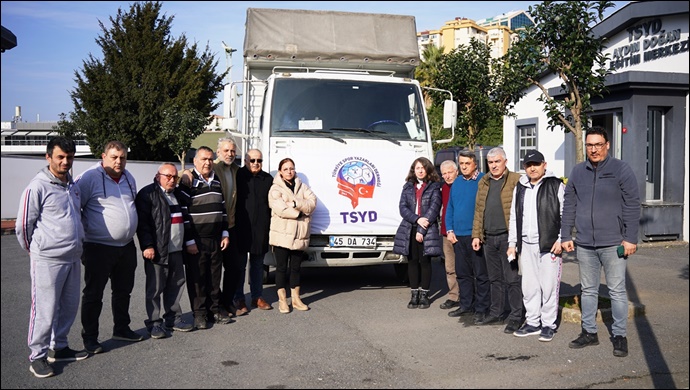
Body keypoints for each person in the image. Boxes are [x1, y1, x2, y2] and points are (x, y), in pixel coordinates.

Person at [562, 126, 641, 357]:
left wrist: (630, 238)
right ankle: (589, 332)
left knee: (616, 291)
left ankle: (619, 335)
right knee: (588, 290)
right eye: (589, 145)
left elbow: (632, 204)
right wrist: (566, 235)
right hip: (585, 243)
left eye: (598, 144)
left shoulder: (621, 170)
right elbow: (569, 205)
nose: (593, 149)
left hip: (613, 243)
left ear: (607, 145)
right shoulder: (578, 172)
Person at [16, 137, 89, 378]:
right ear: (48, 157)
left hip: (72, 257)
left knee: (68, 306)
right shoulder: (37, 187)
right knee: (45, 310)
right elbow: (23, 226)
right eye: (60, 157)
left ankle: (59, 347)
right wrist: (36, 250)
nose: (65, 161)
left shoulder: (72, 185)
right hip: (47, 259)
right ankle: (37, 356)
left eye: (69, 157)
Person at [76, 140, 143, 354]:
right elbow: (75, 208)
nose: (119, 161)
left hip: (126, 246)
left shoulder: (128, 177)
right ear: (103, 156)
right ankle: (90, 338)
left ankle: (121, 329)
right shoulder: (89, 178)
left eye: (122, 157)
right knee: (94, 294)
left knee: (123, 292)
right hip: (98, 247)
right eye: (114, 157)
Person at [507, 150, 565, 342]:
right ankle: (533, 321)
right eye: (528, 164)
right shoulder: (521, 187)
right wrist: (512, 243)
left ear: (544, 165)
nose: (532, 168)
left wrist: (561, 238)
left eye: (536, 164)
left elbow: (565, 214)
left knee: (548, 286)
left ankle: (548, 324)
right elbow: (515, 216)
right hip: (526, 244)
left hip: (549, 244)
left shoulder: (555, 185)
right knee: (529, 286)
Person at [134, 163, 195, 339]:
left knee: (176, 285)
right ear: (157, 176)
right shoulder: (148, 194)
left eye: (174, 177)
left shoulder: (177, 193)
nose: (171, 180)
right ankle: (154, 323)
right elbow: (143, 223)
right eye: (167, 176)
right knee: (155, 289)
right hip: (158, 250)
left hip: (176, 250)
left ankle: (173, 318)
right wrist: (147, 245)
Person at [178, 146, 232, 329]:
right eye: (203, 159)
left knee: (215, 277)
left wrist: (225, 233)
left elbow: (223, 210)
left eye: (210, 159)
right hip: (197, 240)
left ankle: (214, 311)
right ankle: (199, 314)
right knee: (198, 279)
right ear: (195, 161)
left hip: (216, 238)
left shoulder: (216, 182)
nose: (207, 162)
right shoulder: (187, 183)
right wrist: (190, 240)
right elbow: (184, 214)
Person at [471, 146, 523, 333]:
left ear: (505, 162)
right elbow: (478, 210)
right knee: (494, 278)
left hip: (508, 238)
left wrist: (517, 240)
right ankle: (496, 312)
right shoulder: (484, 182)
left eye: (497, 162)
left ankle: (516, 315)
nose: (493, 166)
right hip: (488, 237)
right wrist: (476, 235)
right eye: (490, 163)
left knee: (512, 278)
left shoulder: (516, 180)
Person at [268, 158, 317, 313]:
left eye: (292, 168)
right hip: (282, 235)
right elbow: (280, 208)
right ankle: (282, 300)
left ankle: (296, 299)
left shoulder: (303, 186)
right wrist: (301, 212)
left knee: (296, 268)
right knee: (281, 268)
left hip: (299, 235)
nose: (289, 171)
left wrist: (295, 203)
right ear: (280, 172)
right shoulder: (275, 189)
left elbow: (312, 203)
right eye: (286, 169)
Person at [445, 149, 490, 321]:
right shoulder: (457, 182)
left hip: (476, 235)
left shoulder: (483, 180)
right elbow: (451, 207)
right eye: (461, 163)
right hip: (458, 236)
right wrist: (449, 229)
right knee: (463, 274)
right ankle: (466, 305)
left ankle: (482, 308)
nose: (464, 167)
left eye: (467, 163)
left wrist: (478, 233)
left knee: (480, 274)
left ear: (475, 164)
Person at [393, 157, 442, 309]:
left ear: (428, 170)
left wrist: (421, 228)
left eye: (423, 168)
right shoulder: (407, 187)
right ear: (413, 170)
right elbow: (403, 208)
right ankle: (414, 294)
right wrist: (416, 220)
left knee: (425, 262)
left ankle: (424, 295)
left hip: (427, 229)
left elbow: (434, 208)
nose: (420, 170)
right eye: (417, 168)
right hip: (409, 228)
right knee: (412, 261)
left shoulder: (434, 187)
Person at [233, 149, 273, 311]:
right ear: (245, 161)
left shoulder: (268, 179)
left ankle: (257, 297)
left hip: (260, 229)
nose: (256, 163)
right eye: (252, 160)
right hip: (240, 228)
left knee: (257, 265)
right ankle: (239, 298)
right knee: (239, 266)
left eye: (259, 160)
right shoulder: (238, 176)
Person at [438, 160, 460, 310]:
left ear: (456, 172)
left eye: (450, 172)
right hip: (446, 232)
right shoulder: (443, 188)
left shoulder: (462, 185)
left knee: (466, 268)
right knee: (450, 267)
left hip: (463, 232)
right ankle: (454, 296)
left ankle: (469, 296)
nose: (447, 176)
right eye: (444, 173)